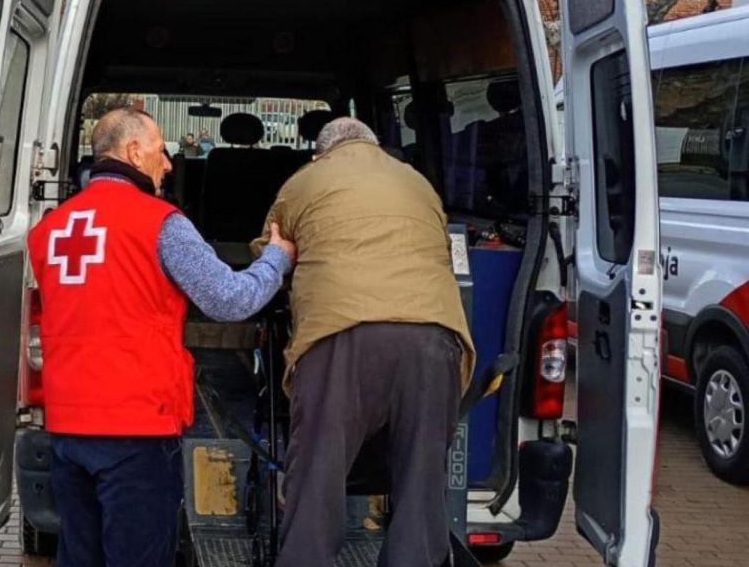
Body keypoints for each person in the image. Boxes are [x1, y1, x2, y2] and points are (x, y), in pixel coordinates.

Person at [28, 107, 296, 567]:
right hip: (137, 427)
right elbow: (229, 301)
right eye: (160, 151)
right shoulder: (160, 223)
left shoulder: (51, 229)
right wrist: (277, 258)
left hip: (67, 424)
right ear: (133, 151)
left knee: (79, 556)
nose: (169, 163)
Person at [251, 117, 476, 567]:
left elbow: (269, 253)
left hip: (341, 336)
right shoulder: (418, 183)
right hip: (434, 338)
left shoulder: (305, 181)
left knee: (319, 471)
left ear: (322, 153)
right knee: (421, 475)